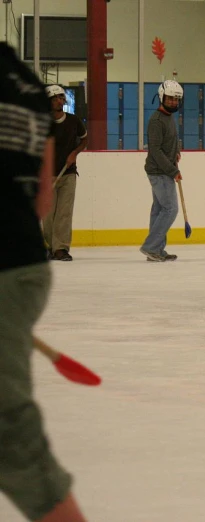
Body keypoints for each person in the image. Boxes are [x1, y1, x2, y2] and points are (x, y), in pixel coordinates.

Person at [0, 42, 88, 522]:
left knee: (10, 435)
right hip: (21, 267)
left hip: (5, 268)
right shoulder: (23, 82)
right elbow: (38, 202)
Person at [42, 84, 87, 262]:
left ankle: (61, 248)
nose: (59, 101)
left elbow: (84, 140)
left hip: (68, 174)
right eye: (55, 98)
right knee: (48, 215)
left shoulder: (73, 120)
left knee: (64, 213)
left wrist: (74, 153)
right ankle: (48, 247)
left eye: (61, 97)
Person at [140, 80, 183, 262]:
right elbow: (155, 150)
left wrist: (177, 152)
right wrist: (172, 170)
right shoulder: (156, 121)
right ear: (161, 97)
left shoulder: (168, 118)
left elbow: (170, 141)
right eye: (170, 99)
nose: (173, 102)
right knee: (170, 209)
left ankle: (156, 249)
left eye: (176, 99)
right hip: (159, 172)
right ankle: (151, 246)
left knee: (159, 210)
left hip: (163, 170)